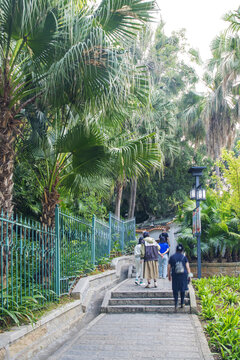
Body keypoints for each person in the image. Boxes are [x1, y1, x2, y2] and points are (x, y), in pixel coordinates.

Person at [168, 244, 192, 311]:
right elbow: (187, 267)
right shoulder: (184, 257)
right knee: (182, 289)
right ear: (182, 250)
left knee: (175, 289)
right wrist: (189, 275)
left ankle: (176, 303)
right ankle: (182, 303)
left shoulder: (172, 257)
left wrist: (169, 275)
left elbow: (169, 267)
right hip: (183, 275)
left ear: (176, 250)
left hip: (175, 275)